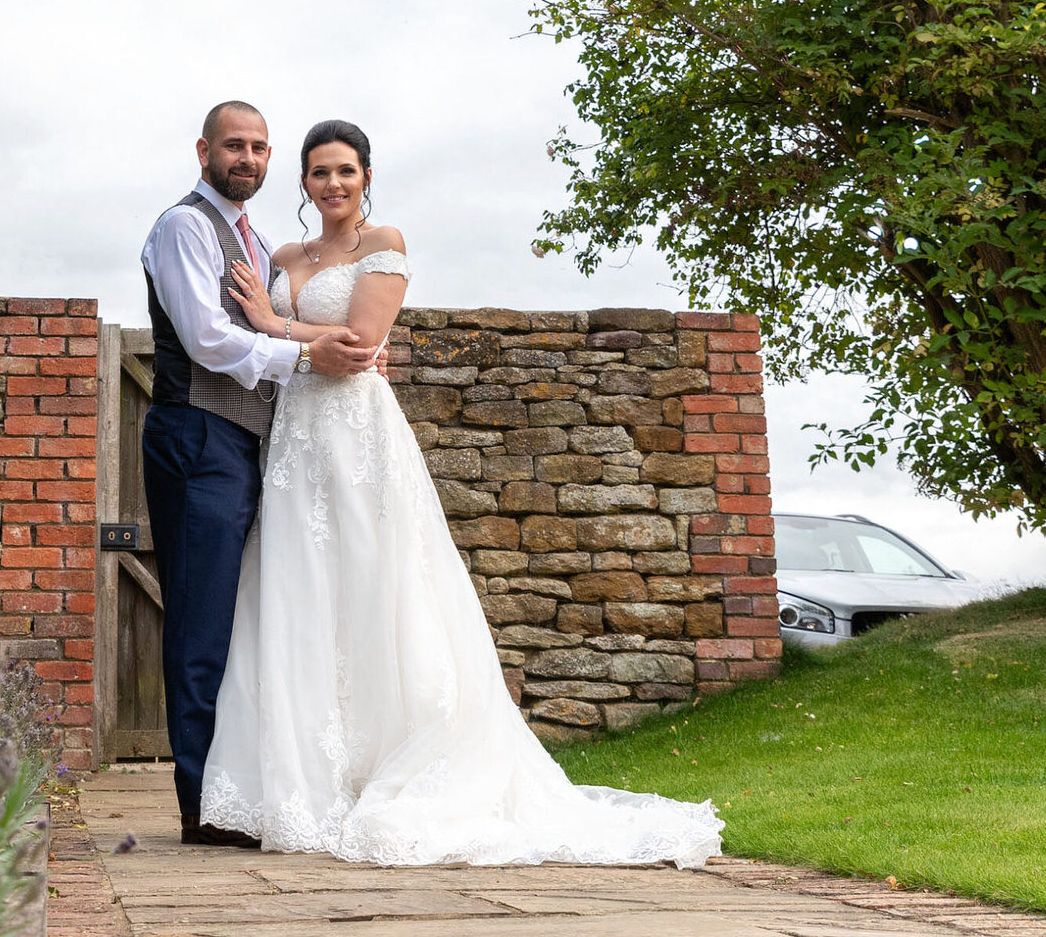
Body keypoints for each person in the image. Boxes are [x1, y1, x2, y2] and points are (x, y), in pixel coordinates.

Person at [196, 118, 724, 868]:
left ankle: (392, 763)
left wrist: (266, 321)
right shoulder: (282, 254)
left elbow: (360, 350)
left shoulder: (386, 245)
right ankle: (308, 778)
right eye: (319, 172)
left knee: (380, 587)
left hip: (357, 438)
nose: (334, 184)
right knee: (299, 591)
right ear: (303, 181)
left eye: (346, 170)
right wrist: (289, 332)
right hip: (294, 443)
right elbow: (312, 347)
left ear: (366, 175)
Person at [138, 101, 381, 847]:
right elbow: (210, 339)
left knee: (250, 619)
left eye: (259, 147)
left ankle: (244, 789)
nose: (246, 157)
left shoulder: (265, 243)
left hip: (257, 445)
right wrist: (309, 355)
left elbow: (280, 325)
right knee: (201, 618)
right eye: (233, 145)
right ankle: (201, 806)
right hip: (197, 435)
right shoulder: (184, 226)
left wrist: (333, 342)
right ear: (204, 149)